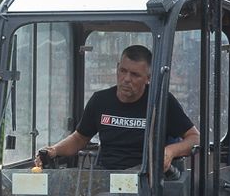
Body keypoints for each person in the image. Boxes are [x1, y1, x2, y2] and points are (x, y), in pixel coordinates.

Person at [35, 45, 199, 172]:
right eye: (123, 71)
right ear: (117, 68)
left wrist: (170, 151)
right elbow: (79, 138)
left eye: (135, 75)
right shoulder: (100, 101)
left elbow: (195, 138)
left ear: (148, 78)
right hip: (107, 177)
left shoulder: (162, 101)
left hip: (148, 180)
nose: (126, 79)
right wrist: (54, 150)